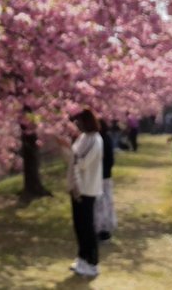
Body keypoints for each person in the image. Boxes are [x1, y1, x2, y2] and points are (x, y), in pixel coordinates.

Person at [68, 108, 103, 278]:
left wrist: (69, 153)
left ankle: (92, 262)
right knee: (79, 225)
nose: (77, 124)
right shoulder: (83, 138)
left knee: (87, 226)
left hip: (88, 189)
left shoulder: (95, 140)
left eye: (79, 121)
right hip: (76, 187)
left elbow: (83, 162)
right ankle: (82, 258)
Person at [95, 118, 117, 242]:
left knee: (101, 203)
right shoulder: (105, 138)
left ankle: (102, 229)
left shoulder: (101, 139)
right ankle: (103, 228)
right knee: (105, 202)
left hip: (102, 176)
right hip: (105, 176)